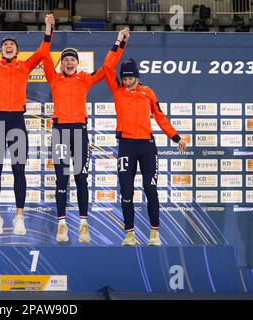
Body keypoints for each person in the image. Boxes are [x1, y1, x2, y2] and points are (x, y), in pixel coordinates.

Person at [42, 22, 127, 243]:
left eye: (73, 59)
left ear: (77, 64)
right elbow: (43, 55)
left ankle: (83, 224)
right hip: (60, 131)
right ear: (61, 64)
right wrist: (48, 31)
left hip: (79, 132)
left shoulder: (85, 79)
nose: (69, 62)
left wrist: (119, 42)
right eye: (66, 59)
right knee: (61, 179)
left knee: (81, 179)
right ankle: (62, 224)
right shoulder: (54, 78)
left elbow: (108, 66)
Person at [103, 31, 187, 246]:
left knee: (151, 189)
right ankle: (129, 233)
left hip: (147, 146)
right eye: (125, 77)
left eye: (131, 77)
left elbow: (159, 116)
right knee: (127, 191)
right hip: (127, 146)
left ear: (137, 77)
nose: (127, 80)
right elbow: (107, 67)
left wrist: (175, 137)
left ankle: (154, 234)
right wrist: (119, 42)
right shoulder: (118, 90)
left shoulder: (148, 92)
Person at [0, 14, 51, 235]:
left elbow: (42, 53)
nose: (8, 46)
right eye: (5, 45)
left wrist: (48, 28)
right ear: (1, 51)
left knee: (19, 170)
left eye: (12, 45)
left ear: (17, 51)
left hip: (17, 120)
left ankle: (20, 217)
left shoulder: (25, 66)